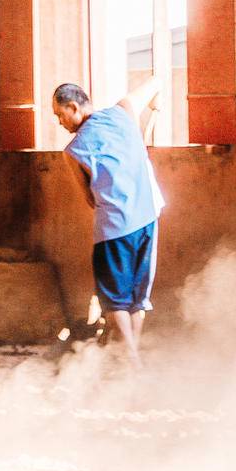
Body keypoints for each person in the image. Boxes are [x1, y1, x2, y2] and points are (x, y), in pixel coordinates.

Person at [54, 78, 165, 366]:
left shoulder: (73, 151)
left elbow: (89, 198)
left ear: (73, 106)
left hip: (114, 227)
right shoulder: (124, 110)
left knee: (114, 299)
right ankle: (131, 354)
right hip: (148, 217)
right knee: (138, 298)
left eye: (59, 114)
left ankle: (130, 361)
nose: (60, 122)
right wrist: (156, 104)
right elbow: (156, 81)